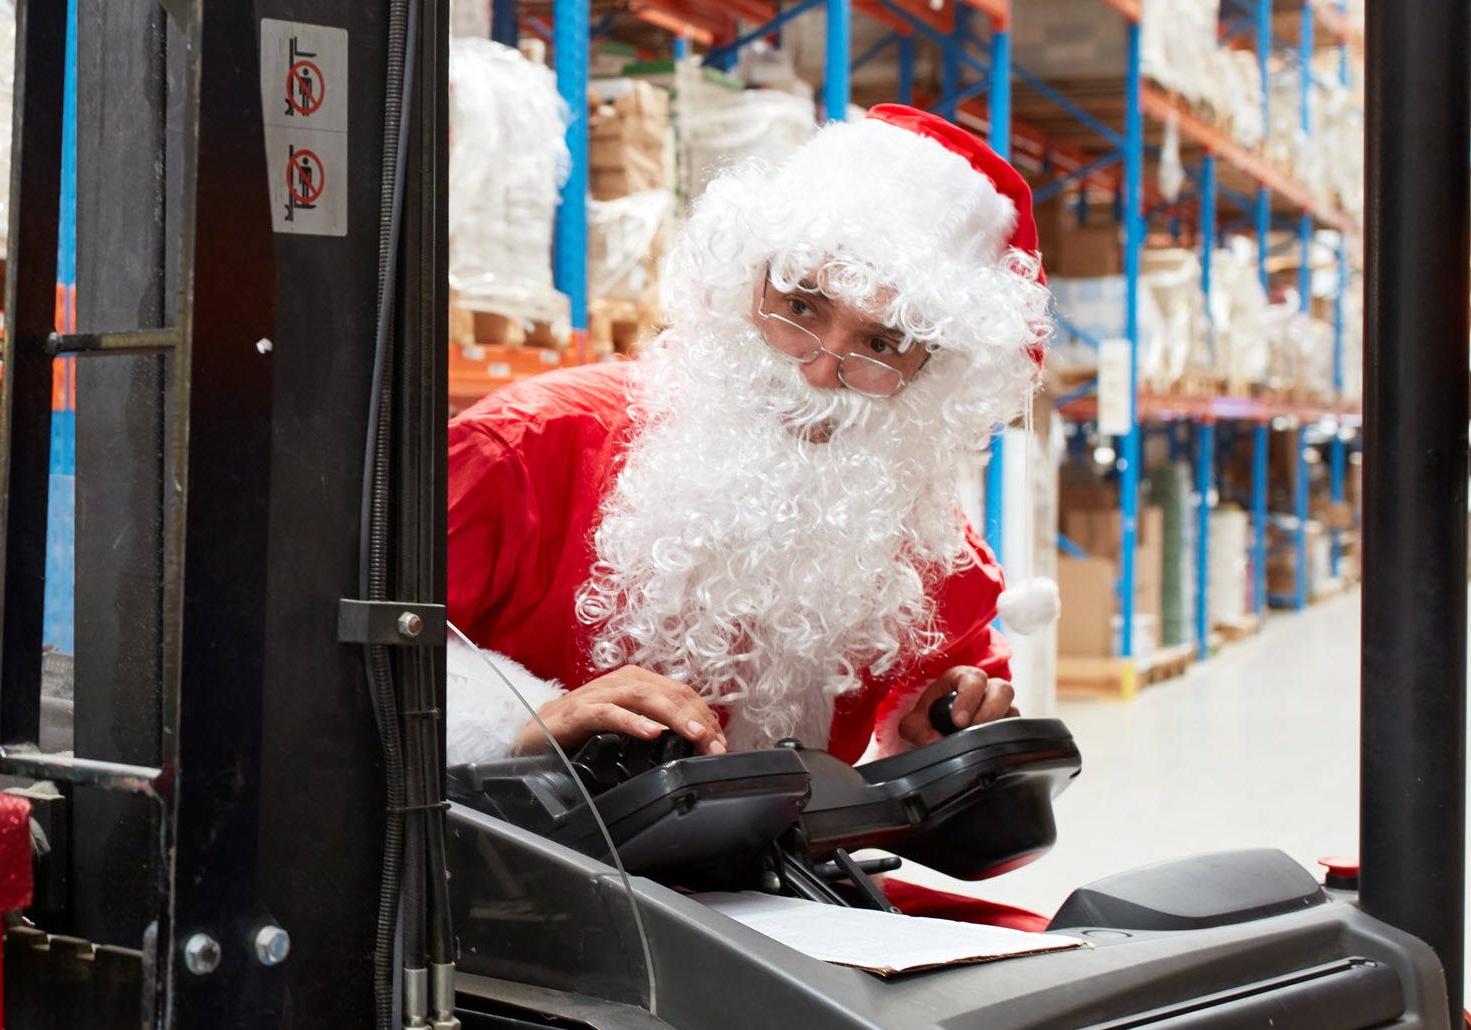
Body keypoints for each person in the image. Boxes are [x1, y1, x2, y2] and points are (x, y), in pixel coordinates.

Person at [444, 103, 1057, 772]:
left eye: (881, 344)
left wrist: (938, 725)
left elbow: (948, 684)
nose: (820, 372)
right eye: (799, 308)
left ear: (932, 376)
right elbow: (350, 657)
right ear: (745, 281)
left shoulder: (916, 540)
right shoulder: (523, 447)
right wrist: (522, 722)